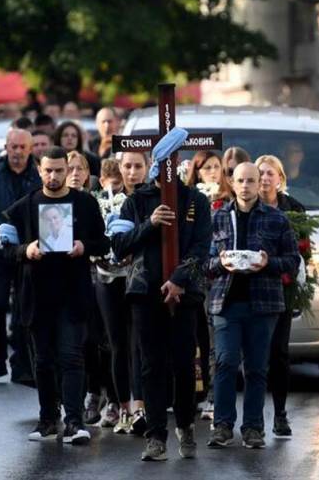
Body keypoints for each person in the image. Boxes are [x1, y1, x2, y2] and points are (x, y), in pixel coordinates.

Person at [111, 141, 212, 462]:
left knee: (183, 364)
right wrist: (149, 224)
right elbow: (119, 246)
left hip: (184, 294)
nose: (166, 166)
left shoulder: (195, 199)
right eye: (161, 160)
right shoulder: (135, 202)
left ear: (178, 161)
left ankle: (185, 425)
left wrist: (179, 280)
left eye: (172, 159)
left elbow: (201, 248)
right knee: (151, 365)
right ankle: (156, 435)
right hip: (145, 293)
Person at [1, 147, 109, 444]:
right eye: (48, 170)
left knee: (71, 357)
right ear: (39, 170)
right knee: (44, 361)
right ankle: (48, 419)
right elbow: (8, 251)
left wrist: (83, 246)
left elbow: (103, 242)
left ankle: (75, 422)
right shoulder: (25, 206)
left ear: (67, 170)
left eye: (59, 170)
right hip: (37, 295)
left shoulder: (85, 204)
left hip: (73, 294)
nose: (54, 176)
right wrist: (27, 250)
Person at [207, 162, 300, 450]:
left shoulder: (276, 219)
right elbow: (204, 262)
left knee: (257, 368)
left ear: (259, 182)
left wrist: (267, 262)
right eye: (240, 181)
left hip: (264, 303)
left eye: (251, 181)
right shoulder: (219, 217)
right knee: (225, 362)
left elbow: (293, 262)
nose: (245, 186)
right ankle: (222, 426)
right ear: (232, 184)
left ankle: (253, 428)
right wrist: (220, 263)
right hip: (226, 302)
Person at [0, 129, 41, 382]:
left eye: (22, 147)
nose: (17, 152)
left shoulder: (37, 175)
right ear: (6, 147)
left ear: (30, 149)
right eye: (13, 147)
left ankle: (23, 362)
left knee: (25, 307)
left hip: (26, 250)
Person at [97, 152, 148, 436]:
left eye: (137, 166)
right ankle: (124, 408)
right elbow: (95, 235)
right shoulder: (105, 199)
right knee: (117, 344)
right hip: (109, 277)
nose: (131, 172)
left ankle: (142, 407)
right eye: (126, 166)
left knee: (138, 344)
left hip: (140, 278)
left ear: (146, 168)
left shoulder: (149, 198)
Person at [66, 152, 118, 427]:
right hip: (69, 280)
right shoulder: (55, 201)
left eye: (80, 168)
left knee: (104, 339)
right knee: (82, 341)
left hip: (98, 276)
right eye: (70, 168)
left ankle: (110, 396)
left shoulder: (97, 201)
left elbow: (103, 239)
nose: (75, 173)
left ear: (89, 173)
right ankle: (90, 392)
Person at [255, 155, 305, 440]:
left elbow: (302, 250)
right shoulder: (249, 206)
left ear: (280, 178)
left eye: (269, 173)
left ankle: (280, 414)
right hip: (253, 288)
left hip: (282, 286)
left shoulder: (293, 208)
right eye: (259, 173)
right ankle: (254, 418)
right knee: (254, 355)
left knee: (279, 353)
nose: (264, 178)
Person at [183, 150, 233, 421]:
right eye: (206, 168)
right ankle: (193, 394)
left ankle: (214, 396)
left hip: (219, 279)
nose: (213, 172)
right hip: (194, 277)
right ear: (197, 173)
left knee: (215, 341)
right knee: (196, 338)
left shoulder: (228, 202)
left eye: (217, 167)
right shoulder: (191, 201)